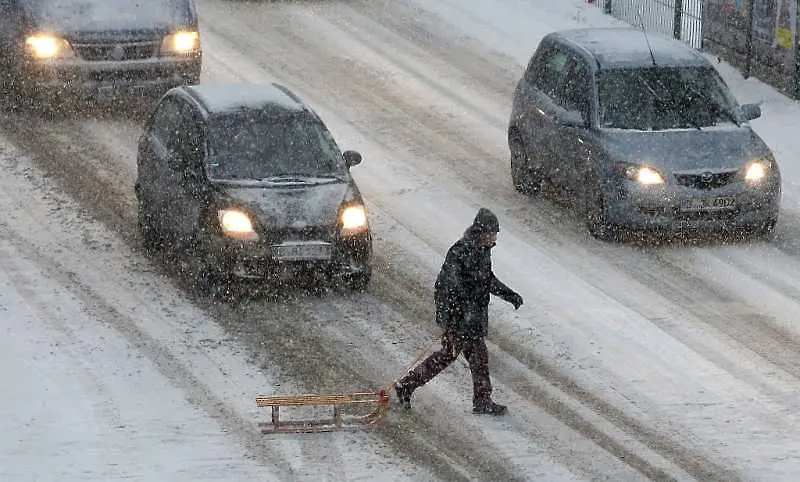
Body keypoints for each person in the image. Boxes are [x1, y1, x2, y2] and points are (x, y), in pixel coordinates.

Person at [394, 207, 523, 415]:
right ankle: (407, 385)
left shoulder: (481, 252)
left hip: (471, 321)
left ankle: (480, 399)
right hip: (460, 320)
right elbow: (447, 288)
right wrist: (454, 318)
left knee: (475, 358)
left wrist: (510, 295)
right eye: (492, 233)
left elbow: (487, 279)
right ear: (481, 232)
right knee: (452, 356)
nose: (494, 237)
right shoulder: (461, 252)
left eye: (495, 233)